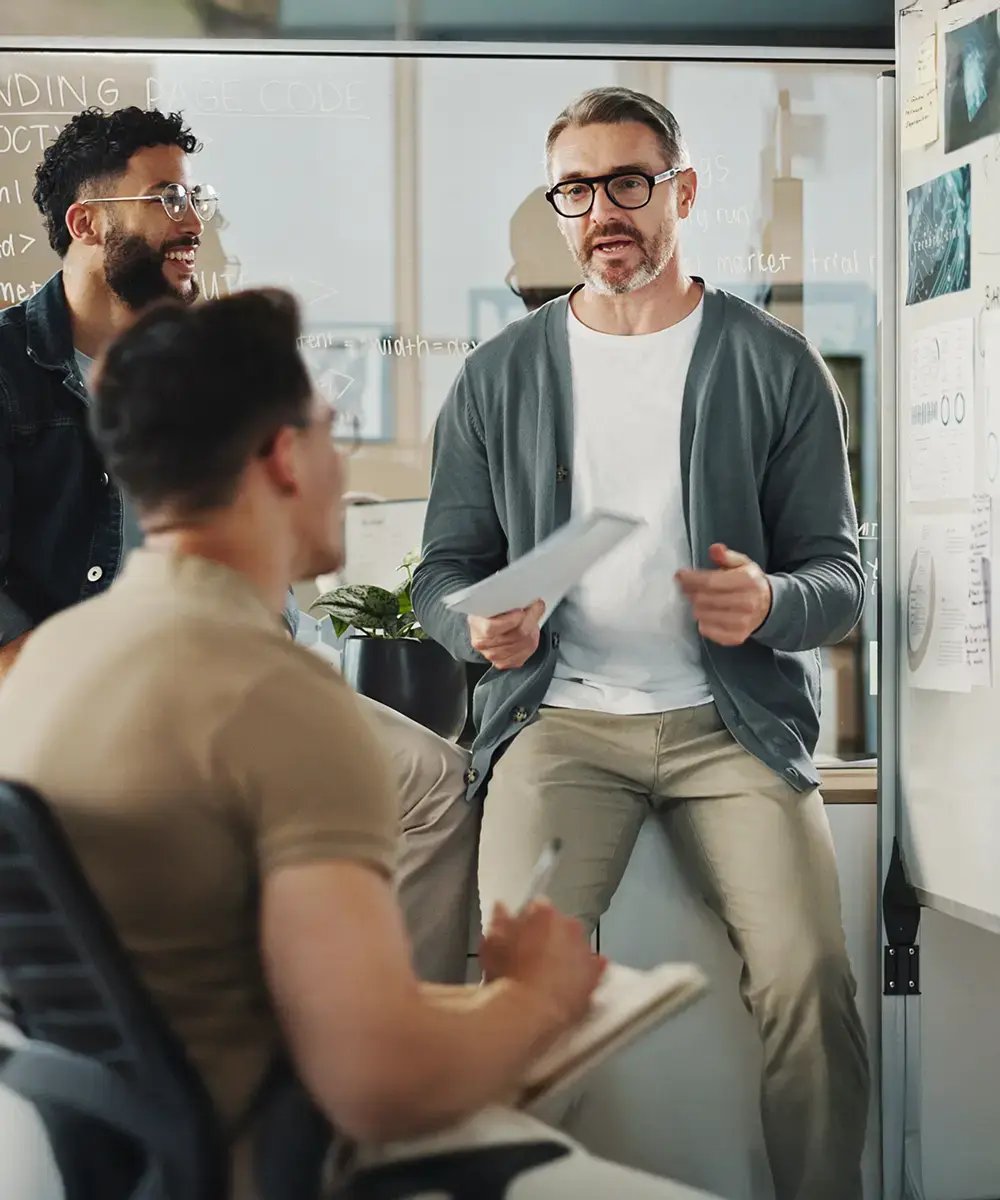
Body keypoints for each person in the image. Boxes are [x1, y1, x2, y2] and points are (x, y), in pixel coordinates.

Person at [0, 289, 717, 1200]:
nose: (341, 464)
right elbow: (381, 1084)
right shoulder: (279, 700)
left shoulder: (44, 667)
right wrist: (537, 997)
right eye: (329, 432)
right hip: (287, 1164)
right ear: (282, 458)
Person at [412, 85, 869, 1200]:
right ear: (557, 207)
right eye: (578, 188)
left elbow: (840, 578)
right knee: (523, 1001)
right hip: (559, 727)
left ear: (682, 192)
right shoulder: (498, 375)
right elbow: (437, 576)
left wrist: (769, 604)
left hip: (733, 732)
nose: (603, 210)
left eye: (630, 182)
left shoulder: (774, 364)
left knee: (810, 981)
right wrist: (475, 624)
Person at [0, 105, 475, 984]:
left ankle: (398, 1017)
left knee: (433, 782)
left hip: (226, 675)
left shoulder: (197, 362)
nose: (195, 221)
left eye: (199, 196)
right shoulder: (7, 371)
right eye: (169, 197)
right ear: (87, 223)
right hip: (71, 697)